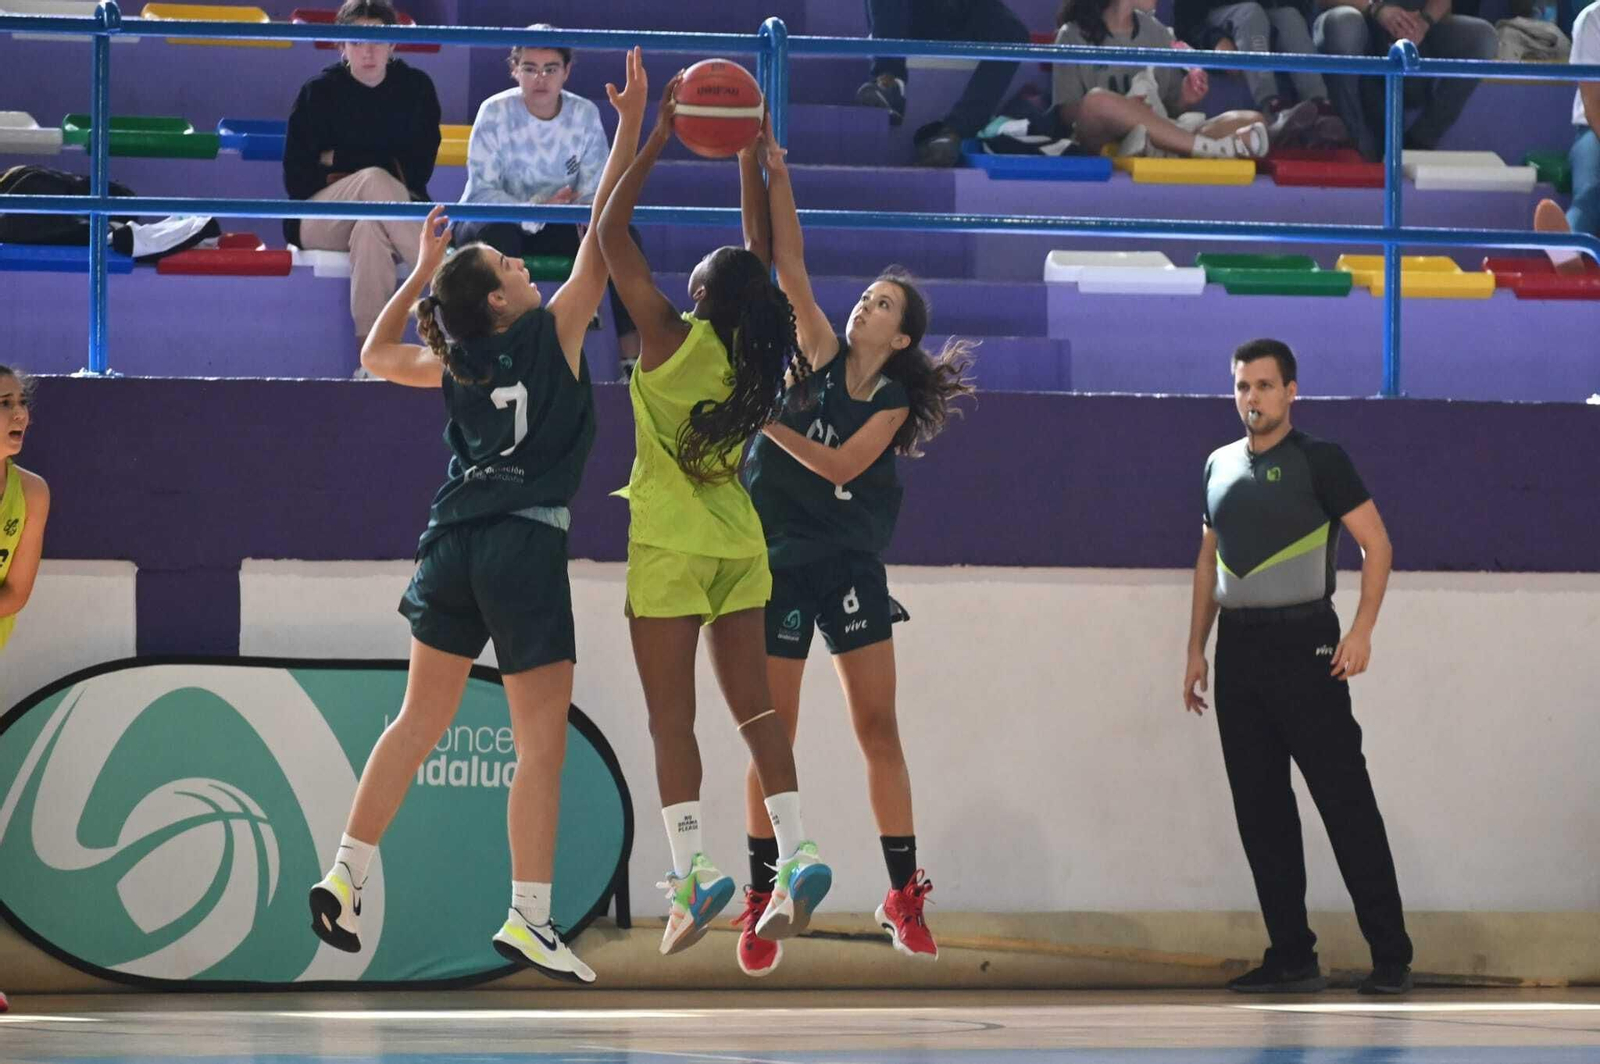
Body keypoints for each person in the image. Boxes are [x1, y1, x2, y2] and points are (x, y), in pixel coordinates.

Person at [305, 47, 650, 986]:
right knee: (540, 744)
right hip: (523, 539)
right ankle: (529, 915)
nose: (520, 261)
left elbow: (376, 354)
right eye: (506, 262)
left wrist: (420, 275)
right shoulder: (557, 328)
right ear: (501, 300)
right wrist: (627, 126)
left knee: (416, 722)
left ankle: (345, 871)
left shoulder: (454, 359)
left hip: (449, 540)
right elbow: (602, 225)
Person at [729, 123, 975, 977]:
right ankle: (761, 895)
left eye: (882, 305)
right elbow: (788, 266)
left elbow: (837, 463)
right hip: (778, 561)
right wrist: (773, 172)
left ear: (900, 339)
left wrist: (765, 420)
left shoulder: (892, 406)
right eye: (865, 296)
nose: (864, 305)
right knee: (776, 734)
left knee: (878, 727)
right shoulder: (819, 357)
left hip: (848, 567)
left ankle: (901, 895)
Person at [597, 77, 833, 957]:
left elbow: (609, 234)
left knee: (672, 720)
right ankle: (799, 845)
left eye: (697, 274)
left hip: (668, 542)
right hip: (741, 539)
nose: (692, 270)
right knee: (757, 715)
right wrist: (748, 157)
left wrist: (657, 138)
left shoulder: (670, 338)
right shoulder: (757, 353)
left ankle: (694, 875)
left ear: (699, 295)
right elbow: (758, 260)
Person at [1183, 339, 1414, 996]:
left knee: (1345, 802)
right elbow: (1208, 561)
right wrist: (1195, 649)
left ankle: (1391, 955)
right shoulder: (1217, 466)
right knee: (1261, 810)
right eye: (1242, 386)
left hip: (1307, 644)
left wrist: (1362, 631)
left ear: (1290, 391)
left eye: (1264, 385)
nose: (1252, 397)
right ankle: (1291, 953)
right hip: (1239, 652)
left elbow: (1378, 545)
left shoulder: (1321, 460)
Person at [457, 25, 644, 376]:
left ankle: (631, 362)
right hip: (497, 221)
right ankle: (500, 355)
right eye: (529, 68)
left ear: (566, 71)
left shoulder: (584, 114)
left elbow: (594, 190)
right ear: (514, 69)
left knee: (621, 236)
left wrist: (562, 212)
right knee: (497, 239)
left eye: (550, 69)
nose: (540, 78)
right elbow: (483, 191)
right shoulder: (493, 112)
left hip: (562, 220)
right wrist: (537, 208)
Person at [283, 0, 442, 350]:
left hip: (391, 211)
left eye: (376, 40)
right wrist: (379, 161)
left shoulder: (416, 88)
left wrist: (337, 159)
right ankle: (450, 285)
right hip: (321, 218)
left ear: (393, 43)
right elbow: (298, 179)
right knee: (372, 180)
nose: (367, 52)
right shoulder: (318, 92)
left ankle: (371, 361)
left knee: (370, 229)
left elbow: (418, 171)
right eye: (356, 41)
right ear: (341, 45)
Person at [1054, 0, 1274, 158]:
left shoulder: (1157, 32)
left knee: (1254, 121)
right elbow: (1067, 113)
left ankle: (1198, 147)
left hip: (1161, 136)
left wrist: (1185, 98)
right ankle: (1212, 149)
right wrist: (1126, 111)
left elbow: (1171, 110)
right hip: (1104, 141)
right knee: (1097, 101)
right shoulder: (1072, 34)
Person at [1313, 0, 1498, 160]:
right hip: (1355, 17)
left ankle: (1420, 141)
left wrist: (1423, 22)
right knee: (1344, 23)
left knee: (1483, 37)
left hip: (1414, 24)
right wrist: (1377, 9)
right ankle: (1354, 139)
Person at [854, 0, 1033, 166]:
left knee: (1012, 32)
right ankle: (889, 83)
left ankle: (954, 132)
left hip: (956, 12)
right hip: (906, 15)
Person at [1173, 0, 1345, 145]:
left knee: (1289, 17)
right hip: (1216, 21)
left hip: (1263, 21)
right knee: (1251, 12)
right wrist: (1216, 40)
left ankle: (1319, 106)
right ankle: (1271, 108)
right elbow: (1186, 20)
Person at [1533, 0, 1600, 273]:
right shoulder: (1592, 19)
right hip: (1594, 129)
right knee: (1592, 190)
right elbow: (1593, 103)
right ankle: (1569, 254)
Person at [0, 365, 50, 657]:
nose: (20, 413)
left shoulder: (33, 493)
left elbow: (16, 594)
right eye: (5, 403)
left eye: (22, 402)